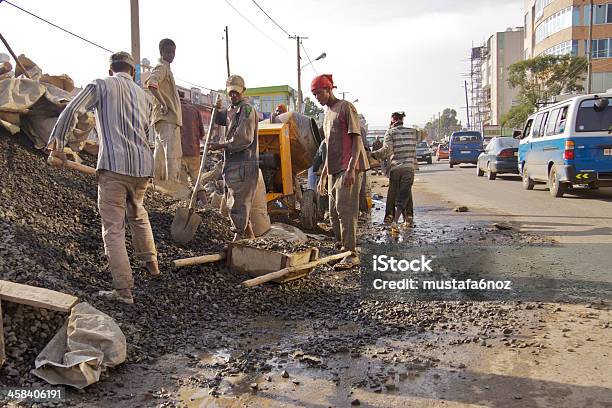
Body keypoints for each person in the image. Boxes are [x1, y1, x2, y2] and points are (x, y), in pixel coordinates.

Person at [47, 52, 159, 304]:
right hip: (142, 168)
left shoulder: (102, 85)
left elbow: (73, 108)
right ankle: (152, 265)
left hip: (113, 166)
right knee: (138, 214)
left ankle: (123, 291)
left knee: (113, 229)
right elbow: (148, 132)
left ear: (111, 71)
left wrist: (58, 145)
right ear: (132, 72)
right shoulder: (145, 97)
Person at [312, 74, 369, 269]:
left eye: (319, 93)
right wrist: (323, 175)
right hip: (334, 169)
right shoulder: (327, 115)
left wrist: (352, 168)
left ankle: (351, 253)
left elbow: (356, 138)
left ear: (329, 90)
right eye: (314, 94)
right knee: (333, 213)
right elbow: (329, 148)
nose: (317, 98)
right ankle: (342, 248)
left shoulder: (346, 107)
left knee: (346, 211)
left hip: (348, 168)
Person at [209, 75, 259, 241]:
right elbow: (220, 118)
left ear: (243, 91)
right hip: (233, 164)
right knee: (236, 201)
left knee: (238, 203)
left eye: (236, 93)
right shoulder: (232, 109)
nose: (233, 96)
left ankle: (237, 240)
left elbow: (244, 138)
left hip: (244, 164)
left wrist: (222, 145)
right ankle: (250, 238)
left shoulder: (247, 110)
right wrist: (215, 109)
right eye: (230, 93)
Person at [370, 111, 417, 233]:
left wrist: (372, 155)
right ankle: (409, 217)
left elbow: (386, 150)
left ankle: (390, 216)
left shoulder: (390, 132)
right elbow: (423, 134)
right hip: (409, 168)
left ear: (392, 121)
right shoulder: (413, 132)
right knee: (406, 191)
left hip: (396, 168)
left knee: (393, 191)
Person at [147, 38, 182, 184]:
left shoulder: (166, 68)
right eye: (168, 52)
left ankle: (157, 184)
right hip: (167, 118)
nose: (172, 55)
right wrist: (164, 104)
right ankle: (171, 185)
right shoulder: (161, 67)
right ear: (161, 52)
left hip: (162, 119)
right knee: (171, 153)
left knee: (160, 153)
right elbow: (151, 84)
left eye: (173, 52)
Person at [179, 94, 206, 203]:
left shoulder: (173, 108)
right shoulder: (195, 110)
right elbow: (202, 134)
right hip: (194, 152)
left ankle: (185, 208)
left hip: (179, 153)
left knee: (183, 184)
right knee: (197, 180)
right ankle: (206, 205)